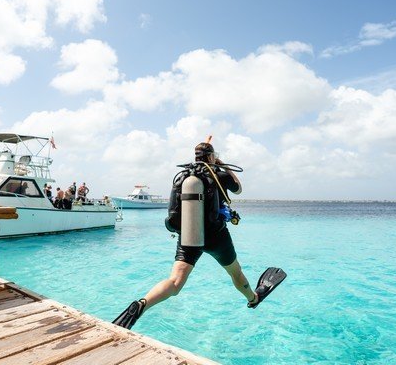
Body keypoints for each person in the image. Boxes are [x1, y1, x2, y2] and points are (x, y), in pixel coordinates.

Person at [112, 140, 286, 330]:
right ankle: (253, 298)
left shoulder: (184, 177)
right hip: (216, 236)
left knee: (175, 282)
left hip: (188, 235)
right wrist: (221, 164)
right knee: (235, 272)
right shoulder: (218, 174)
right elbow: (238, 188)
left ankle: (142, 304)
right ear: (211, 156)